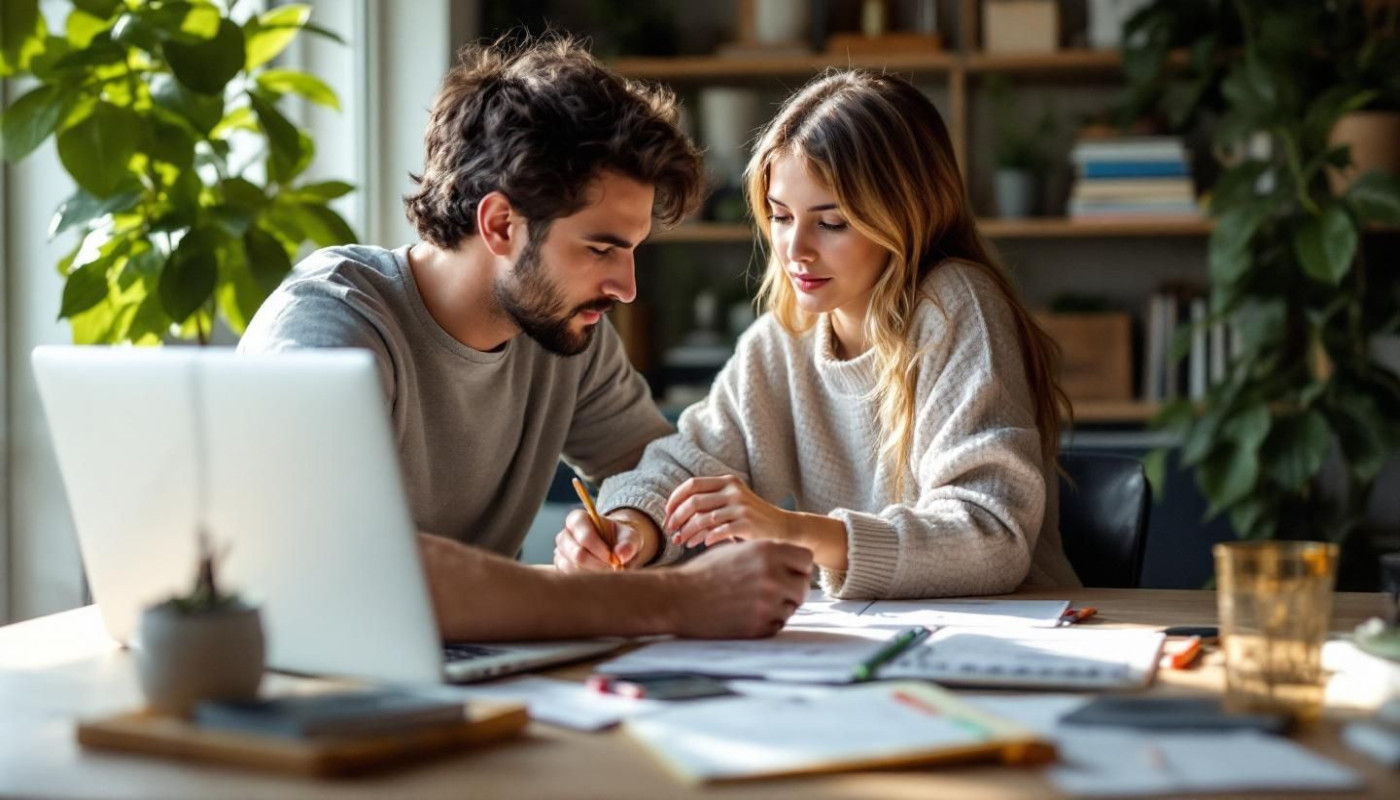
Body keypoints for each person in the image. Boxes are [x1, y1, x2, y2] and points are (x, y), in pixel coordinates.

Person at [239, 35, 813, 640]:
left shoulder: (562, 330)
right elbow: (342, 569)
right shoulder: (329, 325)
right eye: (600, 248)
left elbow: (662, 476)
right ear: (499, 224)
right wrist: (672, 600)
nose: (626, 288)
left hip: (470, 670)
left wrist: (632, 528)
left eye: (633, 251)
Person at [554, 70, 1082, 599]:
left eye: (831, 223)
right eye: (781, 217)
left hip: (1010, 637)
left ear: (904, 215)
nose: (795, 250)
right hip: (867, 641)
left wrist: (794, 531)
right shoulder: (784, 338)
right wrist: (629, 527)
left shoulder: (955, 304)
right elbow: (684, 463)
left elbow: (991, 537)